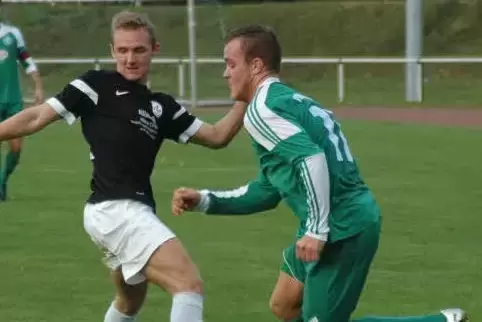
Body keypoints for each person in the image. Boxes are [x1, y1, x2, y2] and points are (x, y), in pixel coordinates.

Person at [171, 25, 468, 322]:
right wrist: (206, 200)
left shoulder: (262, 110)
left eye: (230, 64)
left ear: (256, 65)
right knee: (284, 305)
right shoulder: (287, 100)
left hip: (343, 229)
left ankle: (440, 321)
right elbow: (269, 188)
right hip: (338, 221)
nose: (226, 73)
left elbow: (310, 158)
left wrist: (315, 230)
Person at [0, 10, 248, 322]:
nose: (130, 58)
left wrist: (246, 95)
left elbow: (217, 136)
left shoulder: (163, 107)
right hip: (115, 210)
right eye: (123, 50)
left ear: (154, 49)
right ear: (112, 51)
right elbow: (36, 116)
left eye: (139, 50)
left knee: (130, 299)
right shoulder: (95, 85)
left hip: (128, 211)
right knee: (189, 285)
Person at [0, 11, 43, 200]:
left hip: (13, 100)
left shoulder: (12, 33)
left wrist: (38, 86)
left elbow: (26, 61)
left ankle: (2, 181)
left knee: (16, 148)